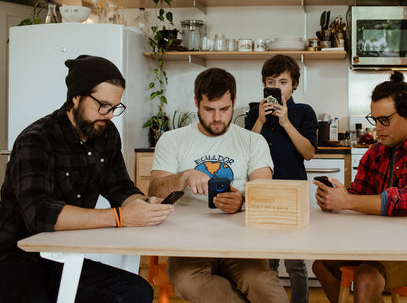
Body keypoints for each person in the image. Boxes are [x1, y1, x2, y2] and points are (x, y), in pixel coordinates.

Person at [0, 55, 174, 303]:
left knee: (136, 293)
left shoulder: (106, 133)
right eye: (103, 105)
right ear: (76, 97)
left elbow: (120, 186)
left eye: (115, 107)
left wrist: (141, 204)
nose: (110, 115)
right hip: (15, 257)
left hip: (63, 255)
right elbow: (39, 214)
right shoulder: (36, 139)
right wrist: (121, 217)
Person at [312, 71, 407, 303]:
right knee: (321, 265)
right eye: (375, 120)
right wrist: (335, 197)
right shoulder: (375, 153)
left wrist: (348, 201)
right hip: (382, 242)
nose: (378, 128)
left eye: (385, 120)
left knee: (365, 278)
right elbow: (358, 195)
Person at [148, 67, 288, 303]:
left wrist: (242, 201)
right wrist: (183, 177)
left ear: (234, 101)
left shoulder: (253, 141)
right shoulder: (172, 140)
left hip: (242, 242)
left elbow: (266, 195)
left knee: (270, 293)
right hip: (188, 243)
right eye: (209, 110)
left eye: (224, 109)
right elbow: (154, 192)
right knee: (187, 283)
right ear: (196, 102)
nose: (217, 118)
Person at [245, 55, 318, 303]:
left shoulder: (304, 112)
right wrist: (260, 121)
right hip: (261, 192)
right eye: (271, 81)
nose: (277, 87)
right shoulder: (255, 112)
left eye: (283, 81)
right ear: (264, 84)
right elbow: (245, 151)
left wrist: (285, 122)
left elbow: (309, 152)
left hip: (292, 192)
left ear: (294, 84)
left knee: (296, 263)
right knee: (267, 263)